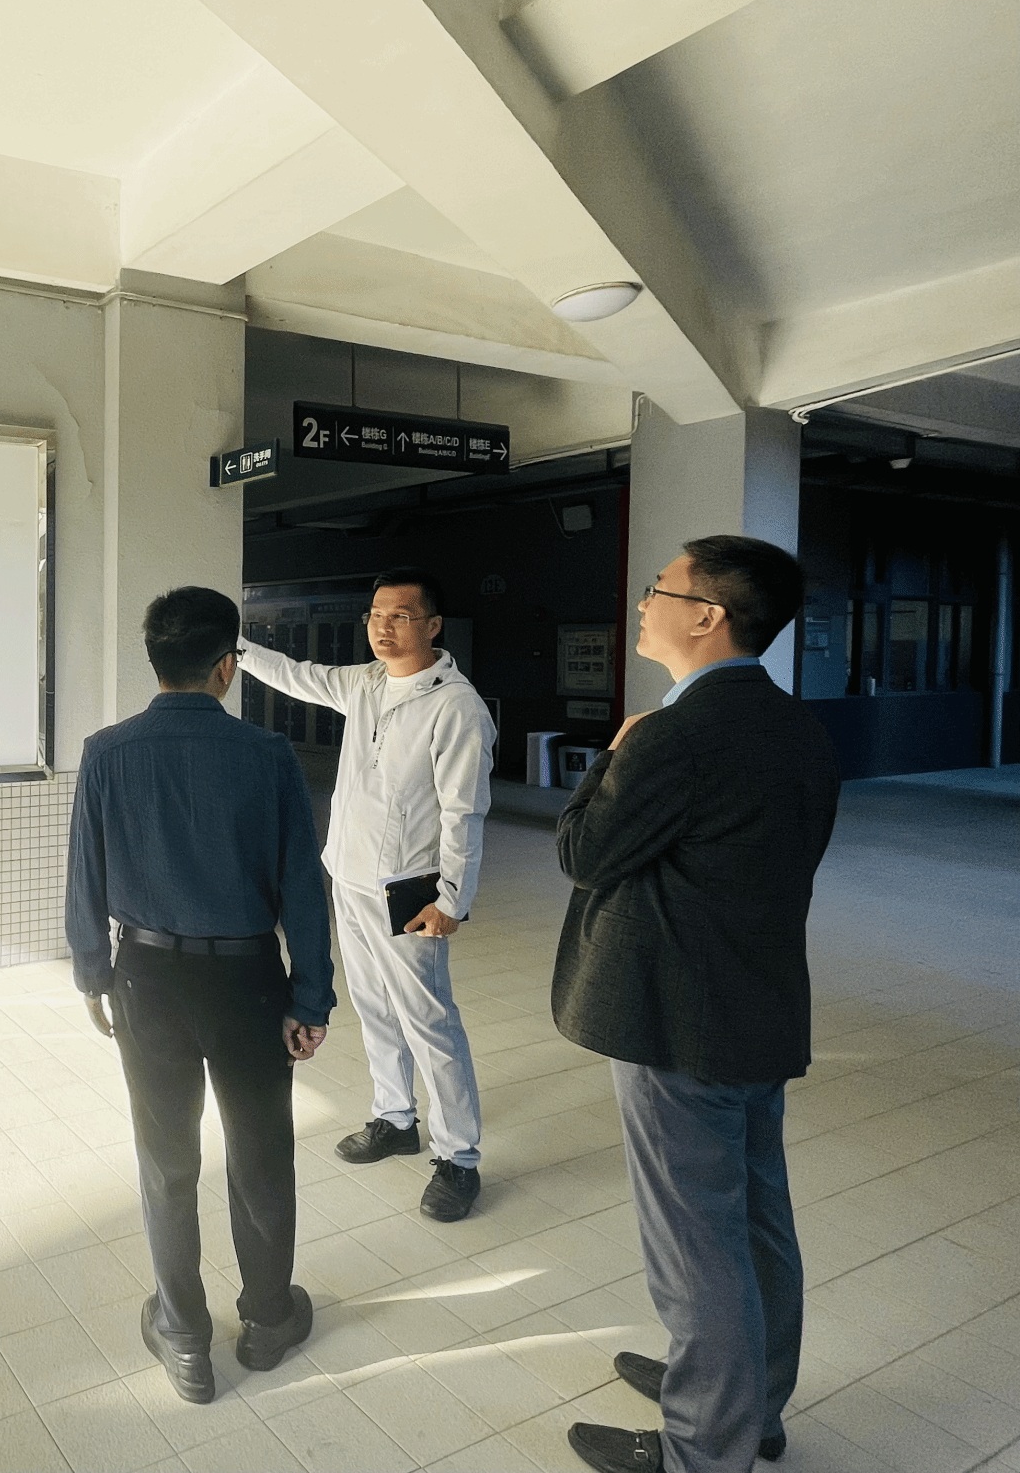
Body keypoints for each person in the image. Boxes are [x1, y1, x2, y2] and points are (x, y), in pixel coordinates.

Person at [553, 536, 839, 1473]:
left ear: (707, 615)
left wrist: (614, 755)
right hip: (757, 1006)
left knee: (695, 1245)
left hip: (675, 1023)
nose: (645, 604)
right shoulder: (798, 727)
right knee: (755, 1218)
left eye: (659, 590)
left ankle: (703, 1446)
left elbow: (584, 854)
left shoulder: (673, 735)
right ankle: (749, 1403)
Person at [66, 586, 335, 1404]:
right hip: (248, 981)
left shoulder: (106, 751)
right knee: (261, 1152)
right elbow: (302, 886)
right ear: (227, 666)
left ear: (156, 661)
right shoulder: (267, 754)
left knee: (166, 1157)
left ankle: (184, 1335)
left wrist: (93, 972)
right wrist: (311, 997)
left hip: (146, 978)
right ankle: (268, 1320)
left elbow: (85, 874)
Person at [235, 569, 495, 1221]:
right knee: (374, 1007)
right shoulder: (367, 683)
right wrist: (233, 646)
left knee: (428, 1020)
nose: (383, 627)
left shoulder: (456, 706)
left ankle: (459, 1158)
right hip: (350, 876)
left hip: (410, 887)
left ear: (433, 625)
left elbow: (465, 811)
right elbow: (296, 674)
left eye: (400, 615)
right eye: (376, 615)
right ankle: (394, 1118)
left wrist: (453, 898)